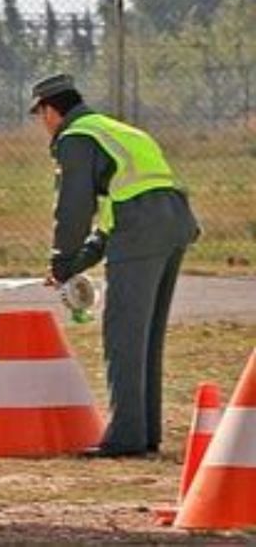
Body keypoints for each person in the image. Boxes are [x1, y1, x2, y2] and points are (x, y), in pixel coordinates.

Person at [30, 73, 199, 459]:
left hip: (141, 229)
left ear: (51, 110)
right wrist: (73, 265)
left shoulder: (77, 138)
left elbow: (74, 208)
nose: (42, 125)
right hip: (172, 223)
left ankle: (125, 439)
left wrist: (60, 260)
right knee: (146, 336)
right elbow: (109, 220)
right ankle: (144, 433)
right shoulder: (119, 132)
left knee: (123, 334)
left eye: (40, 116)